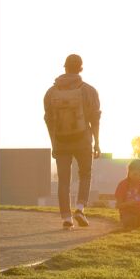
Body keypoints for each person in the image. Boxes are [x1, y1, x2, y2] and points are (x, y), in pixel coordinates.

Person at [43, 53, 102, 229]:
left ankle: (66, 219)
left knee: (63, 180)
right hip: (83, 139)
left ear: (65, 67)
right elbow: (95, 118)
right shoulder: (88, 90)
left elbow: (48, 120)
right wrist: (97, 142)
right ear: (81, 68)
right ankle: (80, 208)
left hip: (61, 141)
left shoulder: (51, 92)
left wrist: (53, 142)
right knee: (85, 174)